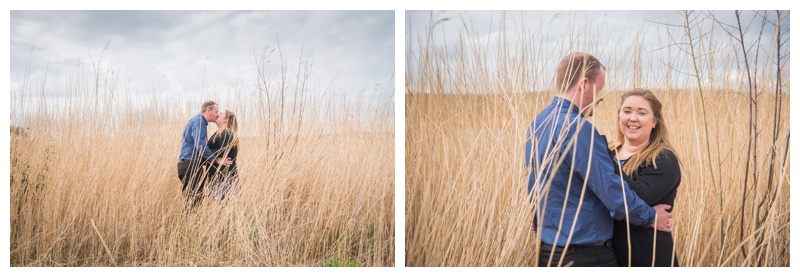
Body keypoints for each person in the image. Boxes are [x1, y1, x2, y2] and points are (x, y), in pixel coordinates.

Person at [525, 52, 672, 267]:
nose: (601, 96)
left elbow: (535, 183)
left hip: (548, 251)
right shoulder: (578, 129)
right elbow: (612, 192)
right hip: (585, 256)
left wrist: (540, 219)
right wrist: (650, 216)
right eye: (600, 88)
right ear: (585, 83)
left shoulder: (538, 123)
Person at [609, 89, 681, 267]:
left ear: (655, 121)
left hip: (649, 257)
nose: (633, 118)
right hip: (611, 257)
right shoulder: (610, 153)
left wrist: (604, 161)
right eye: (627, 111)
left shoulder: (662, 159)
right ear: (619, 117)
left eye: (642, 113)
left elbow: (637, 198)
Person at [177, 100, 231, 211]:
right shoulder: (199, 122)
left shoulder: (198, 121)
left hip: (190, 165)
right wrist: (216, 160)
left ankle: (189, 225)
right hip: (190, 165)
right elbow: (200, 146)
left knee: (194, 200)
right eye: (216, 111)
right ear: (208, 111)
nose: (217, 114)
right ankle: (188, 226)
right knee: (193, 201)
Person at [207, 109, 241, 201]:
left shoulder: (226, 133)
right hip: (221, 178)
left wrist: (203, 150)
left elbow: (223, 151)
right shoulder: (221, 132)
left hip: (225, 178)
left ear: (226, 120)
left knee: (222, 209)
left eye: (221, 113)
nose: (218, 114)